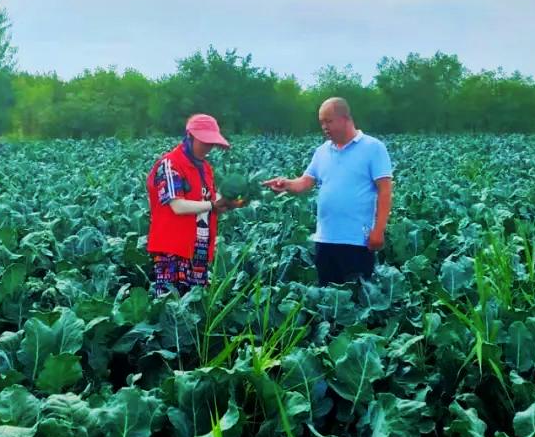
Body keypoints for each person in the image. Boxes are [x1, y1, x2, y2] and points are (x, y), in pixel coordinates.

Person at [263, 97, 393, 286]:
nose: (324, 127)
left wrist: (379, 230)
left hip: (356, 240)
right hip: (325, 239)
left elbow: (385, 190)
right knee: (327, 299)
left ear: (346, 118)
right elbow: (305, 182)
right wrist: (286, 184)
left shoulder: (373, 148)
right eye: (322, 122)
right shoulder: (322, 151)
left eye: (329, 121)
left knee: (356, 300)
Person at [146, 113, 243, 297]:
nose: (208, 147)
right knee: (172, 305)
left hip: (199, 249)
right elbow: (178, 206)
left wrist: (234, 202)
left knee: (194, 311)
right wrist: (213, 204)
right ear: (189, 137)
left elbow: (208, 203)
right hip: (172, 249)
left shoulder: (205, 168)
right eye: (204, 142)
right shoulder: (170, 164)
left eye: (211, 143)